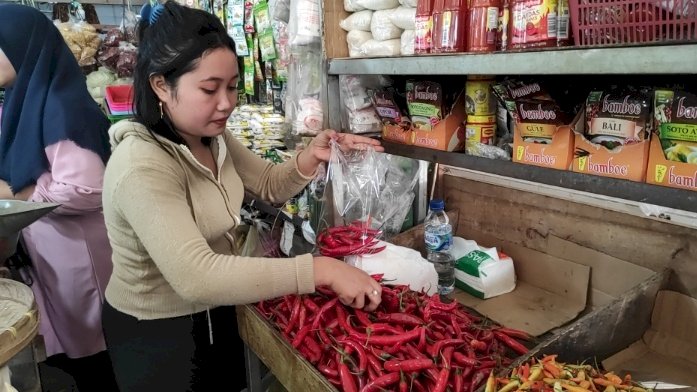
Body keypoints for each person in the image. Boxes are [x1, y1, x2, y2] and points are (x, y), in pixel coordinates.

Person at [101, 1, 385, 391]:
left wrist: (310, 156)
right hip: (158, 333)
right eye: (209, 89)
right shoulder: (142, 165)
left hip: (218, 311)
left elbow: (268, 183)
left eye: (232, 86)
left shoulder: (210, 136)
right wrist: (320, 270)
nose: (226, 103)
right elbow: (196, 276)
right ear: (161, 86)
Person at [0, 4, 119, 391]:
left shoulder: (63, 108)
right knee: (76, 351)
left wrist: (15, 192)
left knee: (95, 354)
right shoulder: (26, 97)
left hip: (80, 258)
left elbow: (87, 189)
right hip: (53, 250)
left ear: (21, 46)